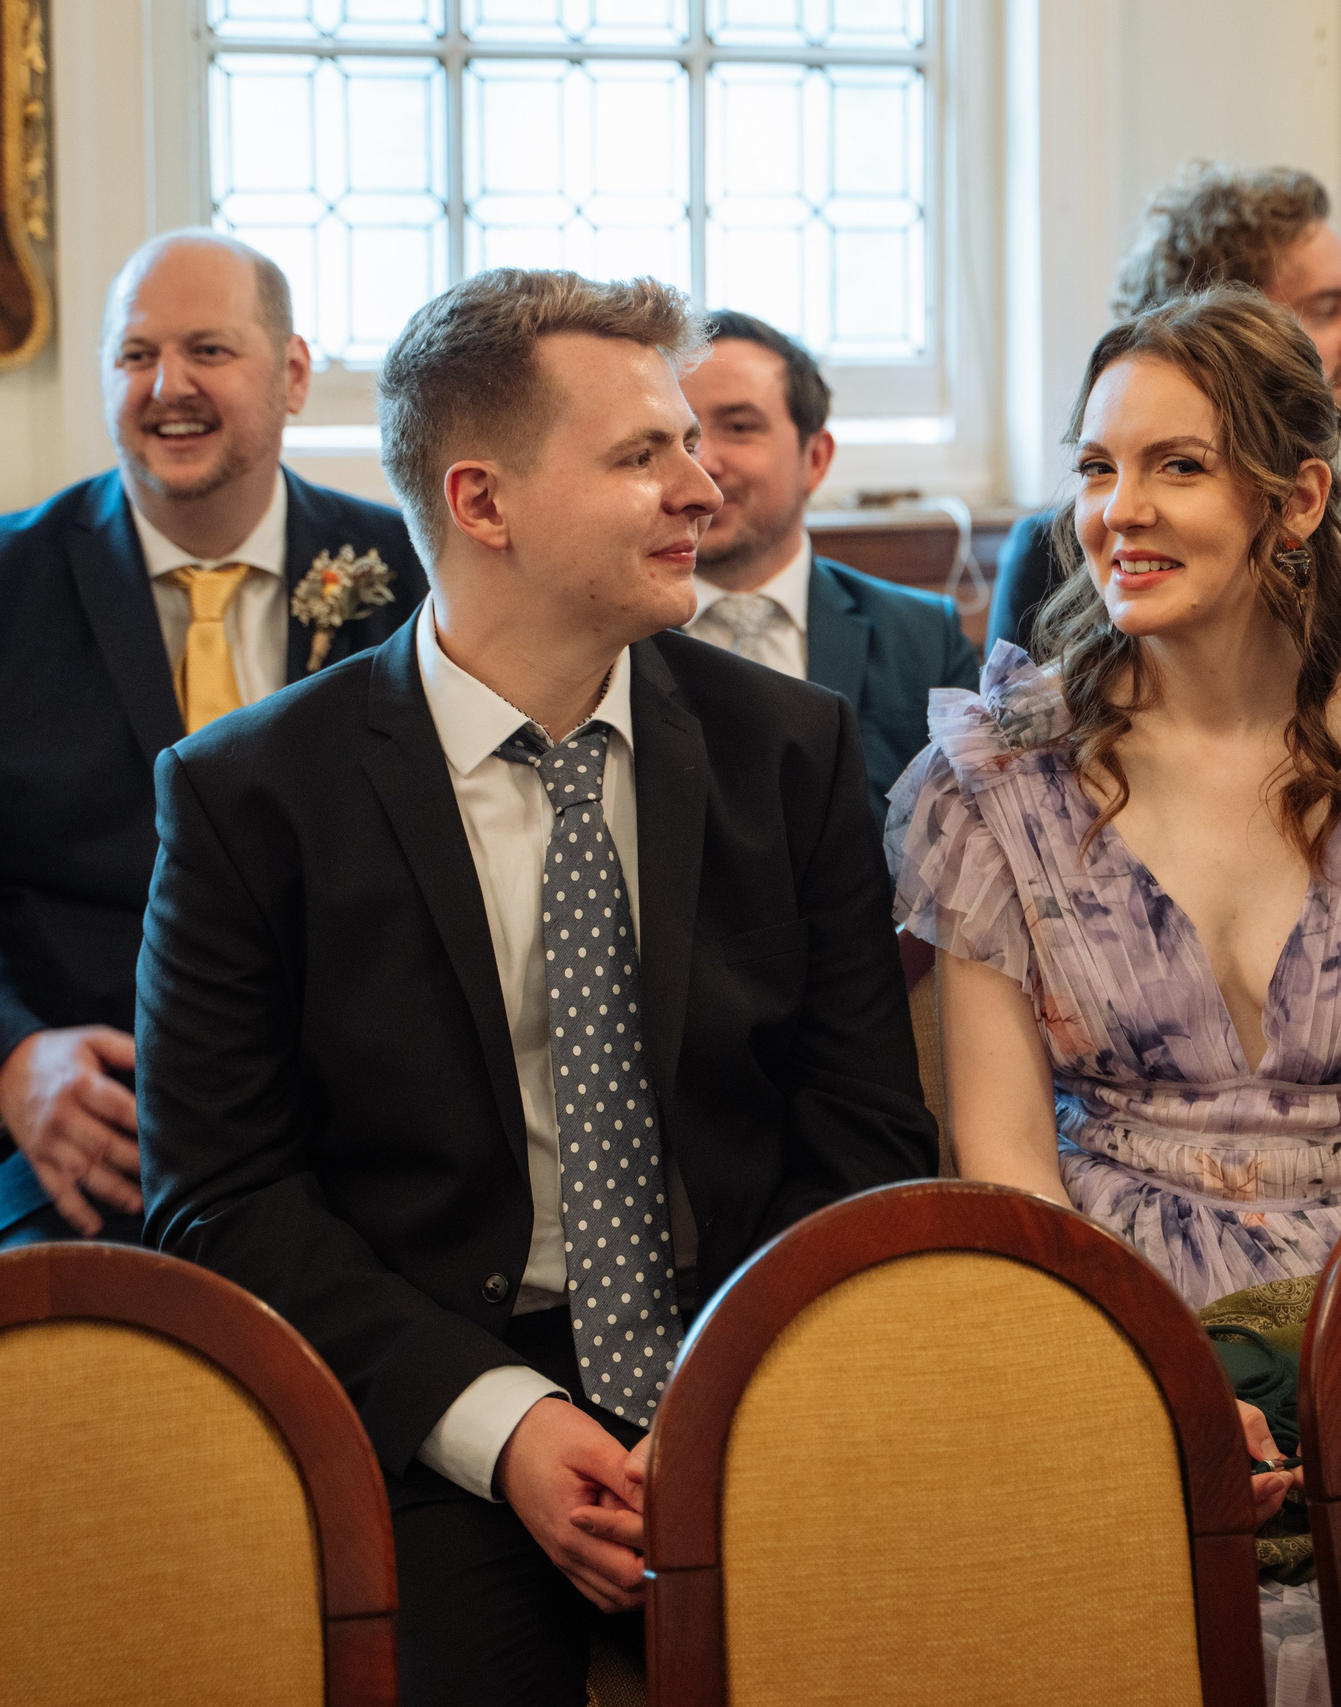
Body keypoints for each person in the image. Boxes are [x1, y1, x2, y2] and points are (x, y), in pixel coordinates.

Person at [135, 268, 938, 1707]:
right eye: (643, 455)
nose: (703, 486)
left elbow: (866, 1128)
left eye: (692, 441)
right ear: (483, 503)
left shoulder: (787, 749)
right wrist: (499, 1424)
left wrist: (733, 1383)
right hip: (434, 1387)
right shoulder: (255, 794)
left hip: (752, 1356)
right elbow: (219, 1186)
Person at [887, 284, 1341, 1706]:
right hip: (1098, 1301)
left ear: (1298, 495)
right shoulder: (1001, 779)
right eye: (1097, 466)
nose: (1117, 511)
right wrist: (1155, 1370)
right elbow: (1007, 1162)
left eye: (1176, 466)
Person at [0, 230, 424, 1249]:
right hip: (94, 1161)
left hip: (382, 1153)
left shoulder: (413, 574)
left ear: (295, 374)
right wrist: (8, 1064)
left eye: (208, 351)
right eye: (135, 356)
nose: (166, 386)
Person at [986, 163, 1341, 656]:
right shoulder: (1056, 557)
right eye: (1326, 309)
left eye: (1181, 465)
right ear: (1228, 323)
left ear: (1305, 500)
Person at [679, 309, 980, 815]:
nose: (702, 462)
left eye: (739, 426)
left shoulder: (924, 640)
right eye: (682, 434)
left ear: (815, 459)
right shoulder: (609, 643)